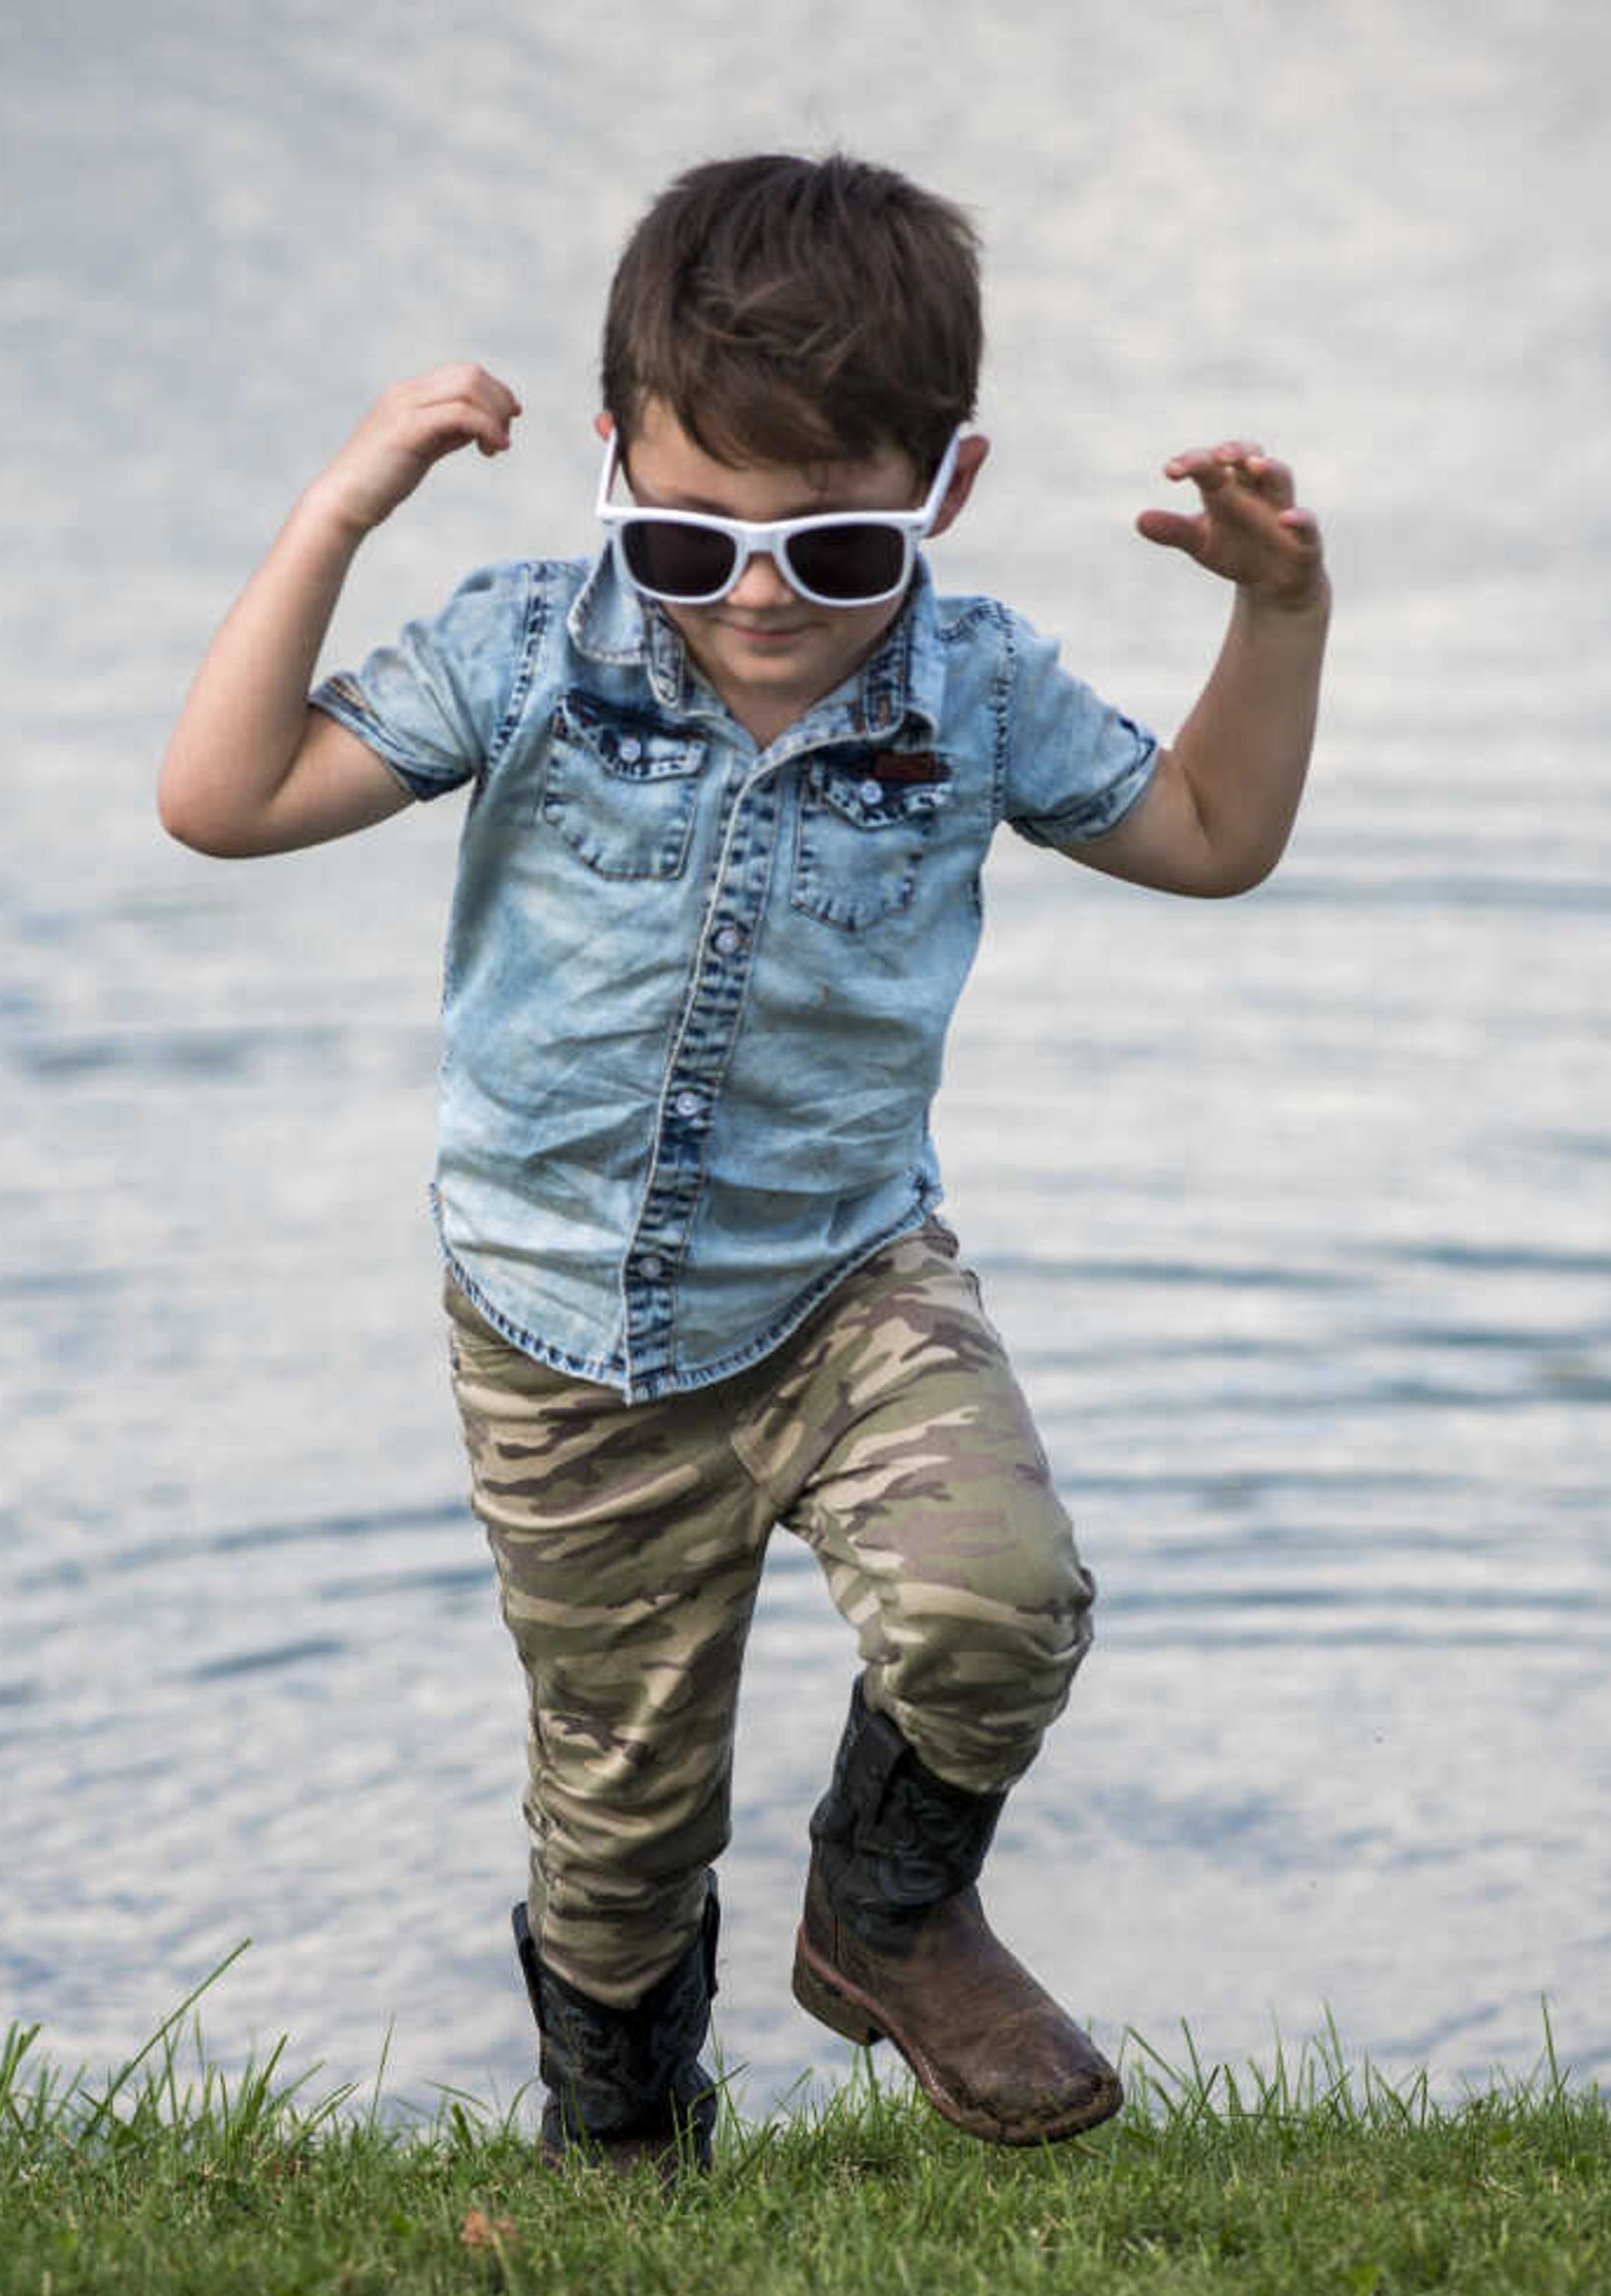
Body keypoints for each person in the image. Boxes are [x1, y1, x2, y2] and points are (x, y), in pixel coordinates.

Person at [156, 152, 1327, 2171]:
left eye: (837, 546)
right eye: (691, 547)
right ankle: (624, 2145)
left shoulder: (974, 689)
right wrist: (339, 510)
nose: (764, 597)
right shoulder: (524, 651)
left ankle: (886, 1908)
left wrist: (1284, 608)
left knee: (999, 1603)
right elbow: (222, 798)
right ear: (612, 467)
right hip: (562, 1343)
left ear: (943, 491)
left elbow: (1214, 836)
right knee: (619, 1830)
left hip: (847, 1289)